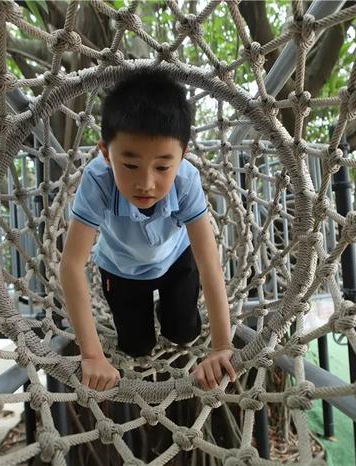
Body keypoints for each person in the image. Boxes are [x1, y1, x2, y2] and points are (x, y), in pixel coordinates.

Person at [60, 70, 237, 392]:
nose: (146, 183)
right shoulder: (97, 181)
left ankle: (168, 308)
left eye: (162, 166)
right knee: (136, 347)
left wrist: (222, 345)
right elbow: (71, 264)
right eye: (129, 165)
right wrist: (91, 354)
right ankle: (146, 315)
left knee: (184, 333)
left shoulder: (186, 181)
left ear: (181, 157)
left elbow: (209, 261)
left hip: (175, 260)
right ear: (105, 153)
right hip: (121, 269)